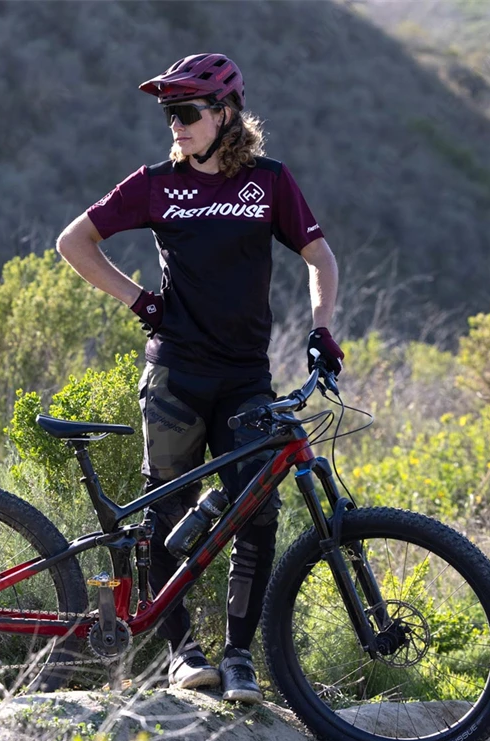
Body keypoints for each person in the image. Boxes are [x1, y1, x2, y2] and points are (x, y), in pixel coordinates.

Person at [56, 53, 344, 704]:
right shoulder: (157, 184)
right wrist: (140, 302)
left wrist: (322, 329)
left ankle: (239, 658)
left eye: (186, 112)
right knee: (165, 510)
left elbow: (319, 257)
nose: (176, 125)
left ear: (225, 114)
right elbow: (74, 242)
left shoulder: (268, 183)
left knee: (258, 512)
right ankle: (182, 654)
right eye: (169, 114)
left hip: (244, 380)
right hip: (176, 375)